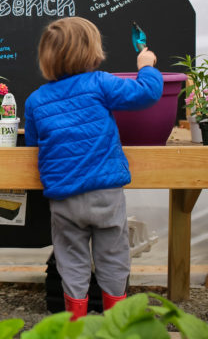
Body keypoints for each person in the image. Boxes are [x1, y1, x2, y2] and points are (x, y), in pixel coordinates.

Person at [23, 17, 161, 320]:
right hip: (104, 193)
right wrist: (146, 65)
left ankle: (76, 322)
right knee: (112, 257)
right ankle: (116, 321)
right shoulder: (100, 83)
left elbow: (33, 142)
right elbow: (146, 94)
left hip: (64, 198)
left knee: (70, 260)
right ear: (92, 51)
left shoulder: (35, 100)